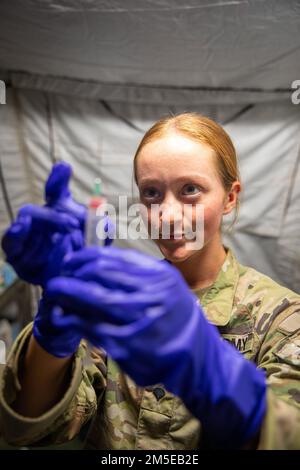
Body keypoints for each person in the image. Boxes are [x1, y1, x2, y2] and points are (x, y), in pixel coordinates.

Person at [0, 113, 300, 450]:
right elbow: (28, 427)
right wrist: (53, 335)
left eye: (190, 189)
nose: (167, 216)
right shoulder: (117, 300)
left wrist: (217, 376)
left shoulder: (283, 317)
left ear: (230, 197)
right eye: (152, 193)